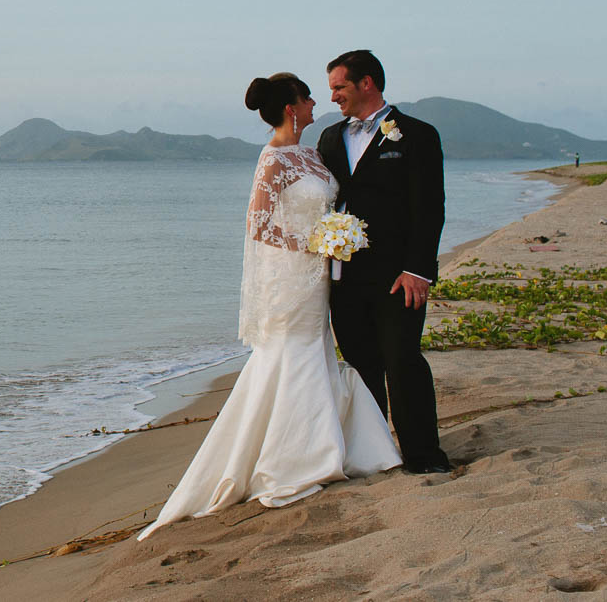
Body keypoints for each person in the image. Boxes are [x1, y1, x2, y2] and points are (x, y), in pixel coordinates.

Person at [138, 73, 400, 540]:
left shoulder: (311, 152)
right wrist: (316, 242)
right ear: (291, 108)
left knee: (315, 352)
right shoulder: (273, 158)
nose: (317, 101)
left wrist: (331, 238)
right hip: (292, 275)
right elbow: (258, 225)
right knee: (291, 355)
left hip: (317, 276)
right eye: (308, 96)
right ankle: (295, 460)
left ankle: (321, 449)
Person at [318, 50, 452, 474]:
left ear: (367, 83)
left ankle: (423, 456)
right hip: (345, 276)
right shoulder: (328, 138)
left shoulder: (417, 134)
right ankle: (376, 454)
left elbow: (430, 208)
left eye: (340, 86)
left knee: (403, 360)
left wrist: (418, 270)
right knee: (361, 366)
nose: (334, 96)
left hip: (399, 275)